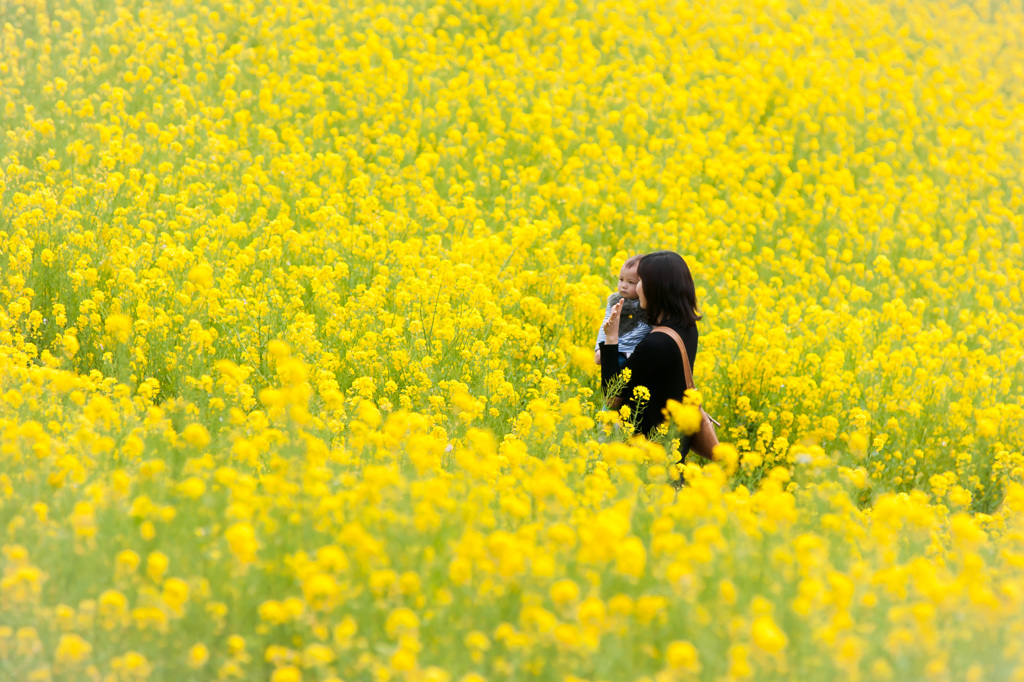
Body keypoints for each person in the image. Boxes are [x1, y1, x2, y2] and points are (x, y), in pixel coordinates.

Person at [599, 250, 702, 458]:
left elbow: (612, 397)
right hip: (672, 442)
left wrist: (611, 339)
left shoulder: (656, 344)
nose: (636, 288)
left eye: (640, 282)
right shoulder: (687, 328)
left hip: (645, 450)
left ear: (656, 289)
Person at [594, 255, 652, 368]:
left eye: (631, 282)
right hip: (616, 351)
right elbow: (605, 325)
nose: (623, 286)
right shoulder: (615, 301)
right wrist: (599, 348)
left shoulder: (647, 302)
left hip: (637, 354)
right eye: (621, 279)